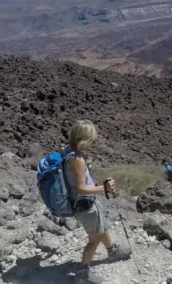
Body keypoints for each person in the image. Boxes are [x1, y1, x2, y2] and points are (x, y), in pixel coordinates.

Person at [64, 120, 132, 283]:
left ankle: (112, 250)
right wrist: (105, 188)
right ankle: (81, 274)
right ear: (84, 139)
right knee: (94, 240)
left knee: (102, 226)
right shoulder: (77, 160)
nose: (93, 143)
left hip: (86, 204)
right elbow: (81, 188)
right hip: (84, 206)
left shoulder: (69, 151)